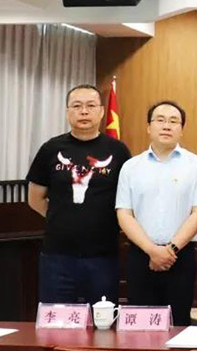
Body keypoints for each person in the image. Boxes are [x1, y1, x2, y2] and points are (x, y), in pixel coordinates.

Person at [26, 84, 131, 304]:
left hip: (103, 256)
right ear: (67, 112)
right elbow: (35, 198)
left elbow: (127, 200)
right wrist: (63, 219)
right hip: (57, 256)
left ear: (101, 112)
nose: (84, 111)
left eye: (91, 106)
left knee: (102, 320)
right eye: (77, 106)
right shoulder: (50, 149)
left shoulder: (118, 151)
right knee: (57, 319)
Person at [115, 101, 197, 326]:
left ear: (181, 129)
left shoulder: (195, 165)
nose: (167, 126)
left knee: (178, 325)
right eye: (160, 120)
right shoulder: (131, 167)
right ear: (149, 127)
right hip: (141, 256)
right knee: (141, 327)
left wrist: (170, 250)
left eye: (173, 121)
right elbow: (124, 214)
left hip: (180, 256)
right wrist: (152, 250)